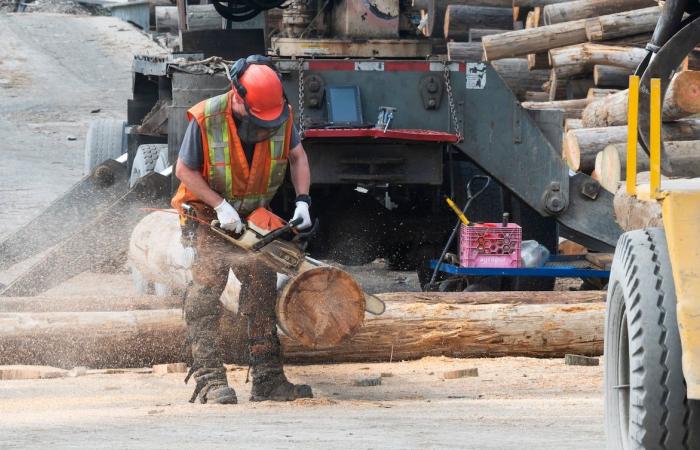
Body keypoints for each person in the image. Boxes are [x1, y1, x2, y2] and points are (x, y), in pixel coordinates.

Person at [172, 55, 313, 404]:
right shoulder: (206, 117)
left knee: (262, 289)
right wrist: (219, 204)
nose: (265, 125)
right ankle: (209, 379)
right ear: (238, 96)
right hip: (209, 216)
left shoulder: (279, 113)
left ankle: (268, 378)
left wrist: (303, 201)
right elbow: (184, 171)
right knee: (206, 293)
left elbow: (297, 156)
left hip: (254, 218)